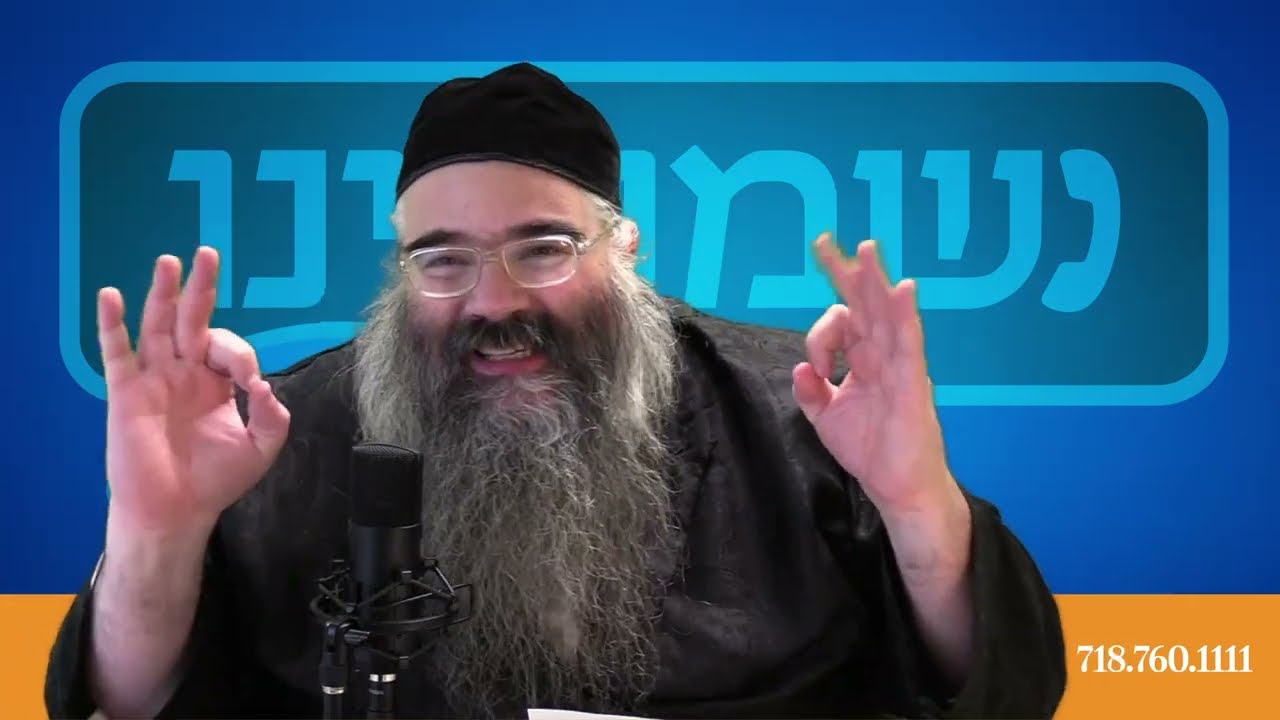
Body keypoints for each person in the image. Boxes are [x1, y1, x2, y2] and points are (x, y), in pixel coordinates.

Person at [44, 62, 1067, 720]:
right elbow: (130, 705)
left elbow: (996, 690)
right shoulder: (280, 433)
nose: (493, 301)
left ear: (625, 249)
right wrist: (155, 531)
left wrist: (915, 500)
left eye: (542, 248)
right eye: (443, 260)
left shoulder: (798, 408)